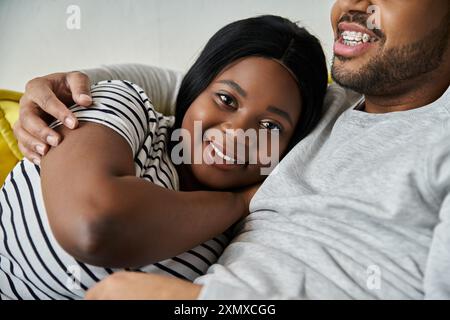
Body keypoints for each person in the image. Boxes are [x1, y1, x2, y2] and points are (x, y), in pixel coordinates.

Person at [13, 0, 450, 300]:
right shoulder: (331, 103)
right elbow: (201, 88)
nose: (352, 4)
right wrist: (69, 85)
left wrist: (208, 300)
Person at [0, 15, 328, 300]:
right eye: (226, 99)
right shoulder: (124, 106)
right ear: (196, 86)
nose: (238, 132)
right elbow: (94, 226)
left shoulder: (238, 243)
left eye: (270, 126)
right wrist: (237, 203)